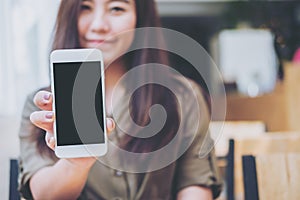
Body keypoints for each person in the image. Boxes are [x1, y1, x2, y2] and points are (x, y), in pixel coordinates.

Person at [18, 0, 222, 199]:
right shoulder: (43, 107)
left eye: (116, 8)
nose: (99, 25)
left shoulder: (183, 96)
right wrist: (75, 164)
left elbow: (195, 186)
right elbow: (42, 194)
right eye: (85, 7)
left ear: (140, 17)